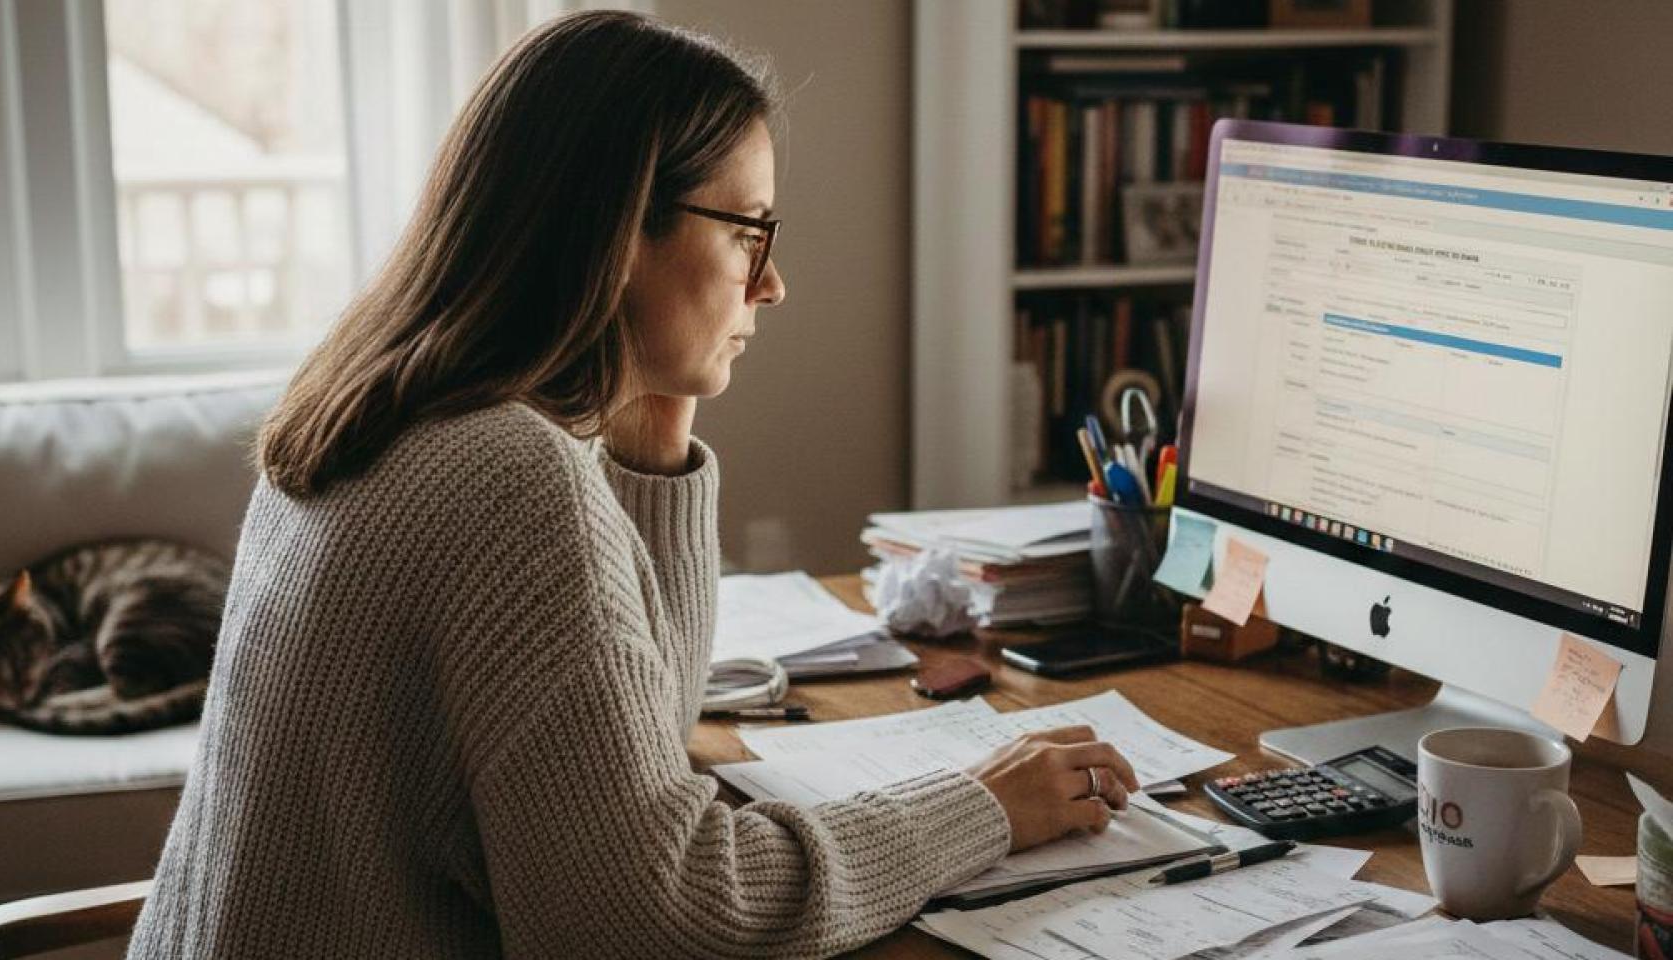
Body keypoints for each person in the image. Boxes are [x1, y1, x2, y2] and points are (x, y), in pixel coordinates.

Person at [126, 11, 1139, 959]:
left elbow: (638, 741)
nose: (771, 284)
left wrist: (653, 434)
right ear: (618, 231)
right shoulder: (501, 477)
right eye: (748, 231)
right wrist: (982, 805)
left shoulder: (381, 403)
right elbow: (655, 917)